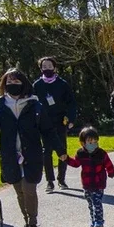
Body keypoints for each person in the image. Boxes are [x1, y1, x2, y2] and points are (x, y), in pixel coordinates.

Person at [0, 68, 61, 227]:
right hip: (10, 155)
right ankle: (26, 221)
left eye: (16, 81)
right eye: (9, 82)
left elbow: (47, 130)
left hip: (31, 154)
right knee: (19, 191)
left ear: (23, 83)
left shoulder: (34, 105)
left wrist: (60, 150)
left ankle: (33, 224)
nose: (12, 84)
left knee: (29, 189)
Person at [32, 56, 77, 192]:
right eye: (44, 67)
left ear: (54, 68)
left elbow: (71, 102)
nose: (47, 69)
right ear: (41, 69)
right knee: (47, 151)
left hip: (60, 121)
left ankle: (61, 179)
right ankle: (50, 181)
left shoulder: (62, 84)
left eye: (49, 66)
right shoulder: (37, 85)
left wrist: (71, 119)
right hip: (44, 123)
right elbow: (32, 104)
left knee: (62, 149)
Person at [60, 126, 114, 227]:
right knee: (90, 204)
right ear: (83, 143)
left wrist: (111, 172)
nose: (93, 144)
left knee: (96, 202)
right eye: (90, 142)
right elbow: (76, 163)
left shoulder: (101, 153)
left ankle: (99, 222)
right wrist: (67, 159)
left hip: (99, 183)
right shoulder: (81, 154)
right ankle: (93, 221)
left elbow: (108, 163)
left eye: (95, 141)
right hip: (87, 184)